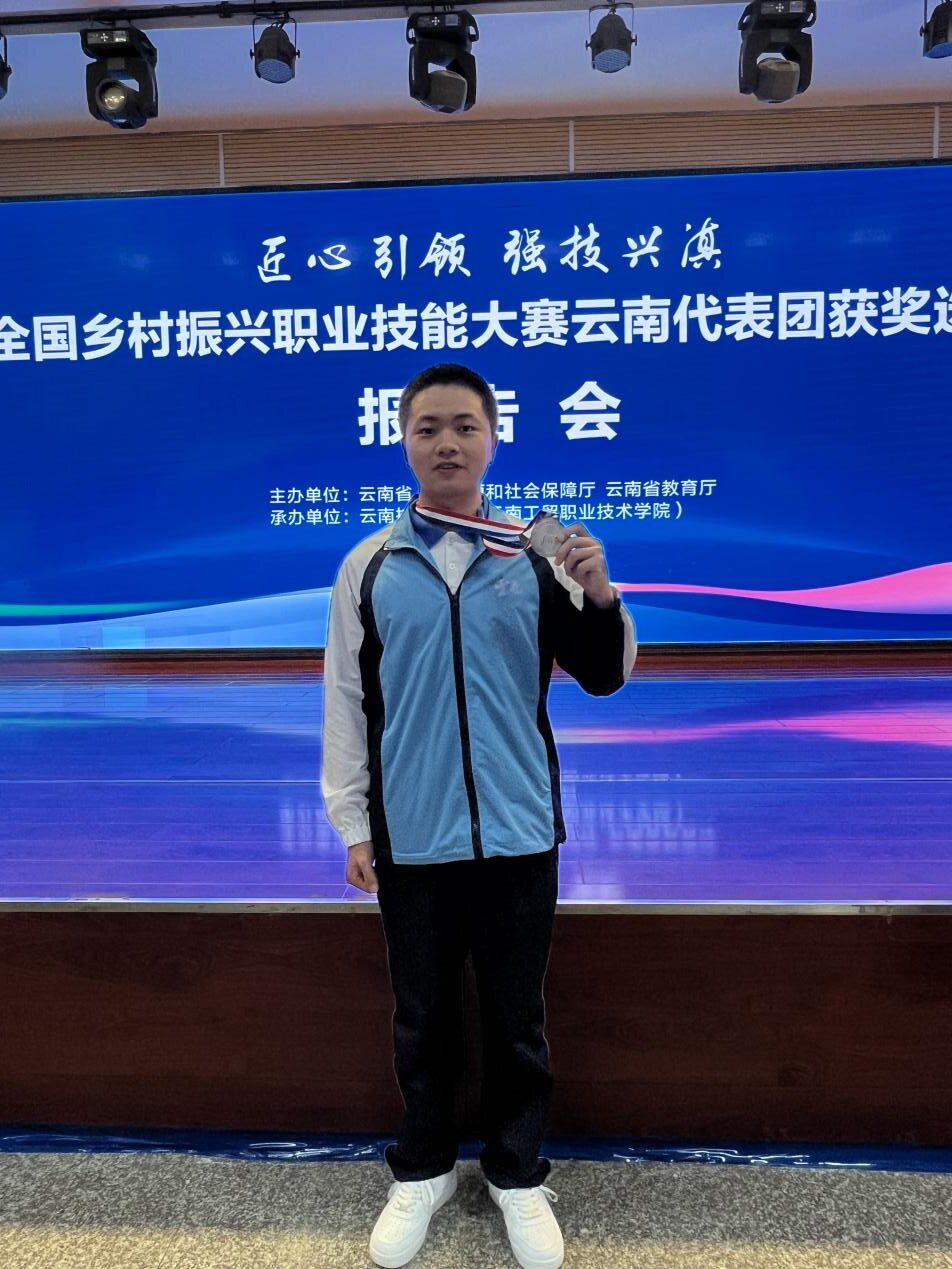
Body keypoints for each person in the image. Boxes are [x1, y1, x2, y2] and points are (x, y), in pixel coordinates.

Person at [321, 363, 636, 1269]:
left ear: (493, 439)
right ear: (403, 441)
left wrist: (600, 594)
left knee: (515, 1017)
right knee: (422, 1016)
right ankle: (422, 1168)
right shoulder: (370, 566)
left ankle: (516, 1172)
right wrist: (354, 824)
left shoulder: (534, 556)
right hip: (412, 832)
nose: (447, 442)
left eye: (465, 425)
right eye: (428, 427)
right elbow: (347, 700)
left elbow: (604, 673)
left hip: (517, 828)